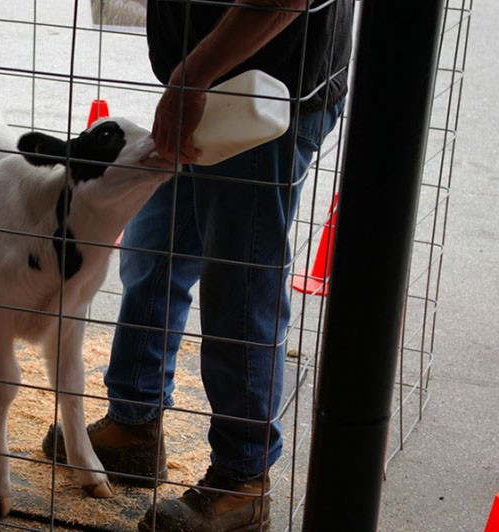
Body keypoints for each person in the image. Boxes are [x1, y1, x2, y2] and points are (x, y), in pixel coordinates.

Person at [45, 1, 353, 530]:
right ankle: (136, 424)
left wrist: (192, 76)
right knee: (153, 247)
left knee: (240, 281)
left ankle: (241, 482)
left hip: (262, 90)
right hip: (213, 87)